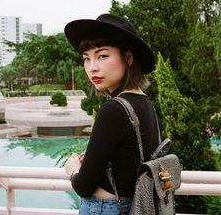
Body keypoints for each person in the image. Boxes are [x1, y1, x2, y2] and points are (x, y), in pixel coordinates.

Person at [64, 13, 160, 214]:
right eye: (86, 59)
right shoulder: (144, 102)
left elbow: (83, 186)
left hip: (106, 208)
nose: (92, 68)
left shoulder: (114, 109)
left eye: (103, 56)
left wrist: (72, 168)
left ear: (128, 58)